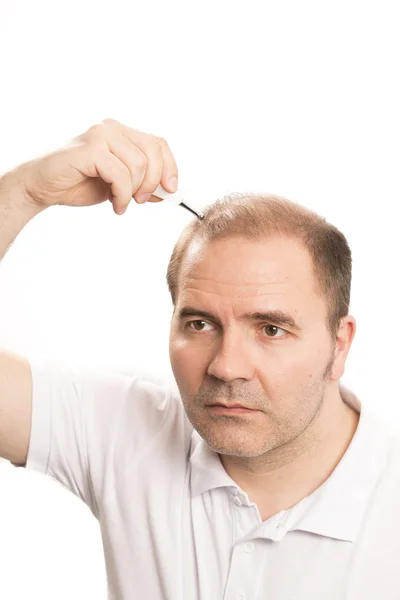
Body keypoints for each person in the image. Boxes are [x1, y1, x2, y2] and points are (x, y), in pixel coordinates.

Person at [0, 119, 399, 600]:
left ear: (341, 344)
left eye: (271, 329)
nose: (226, 367)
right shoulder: (124, 433)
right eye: (200, 324)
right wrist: (26, 191)